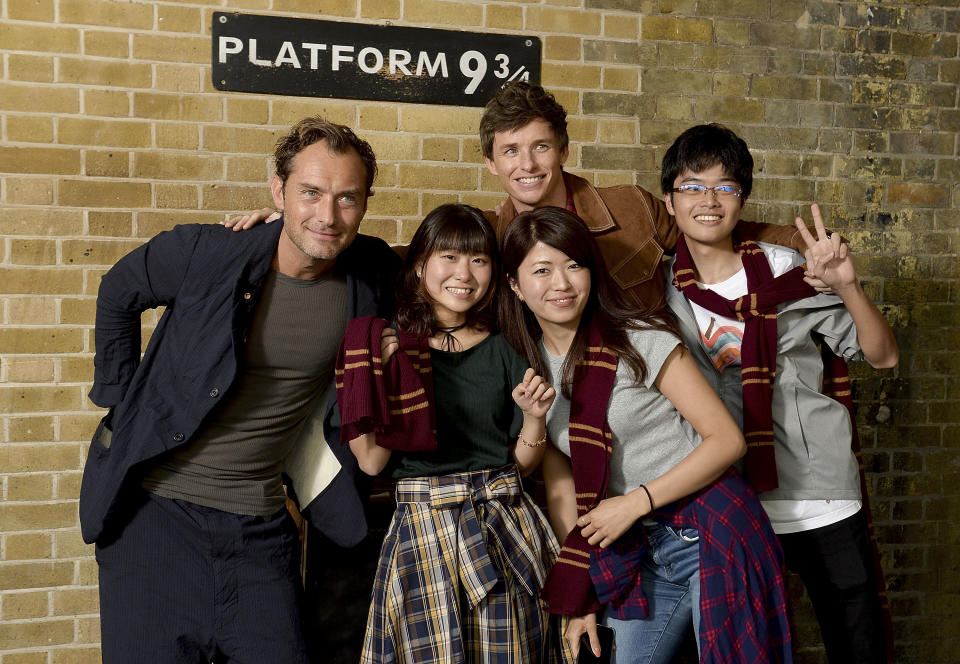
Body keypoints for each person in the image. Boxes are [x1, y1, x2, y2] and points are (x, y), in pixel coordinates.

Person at [81, 117, 400, 662]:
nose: (327, 215)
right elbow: (119, 288)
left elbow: (458, 265)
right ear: (278, 190)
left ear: (365, 204)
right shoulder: (209, 251)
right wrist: (121, 397)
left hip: (261, 528)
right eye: (310, 193)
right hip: (156, 519)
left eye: (347, 198)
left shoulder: (371, 273)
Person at [499, 206, 793, 664]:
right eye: (541, 269)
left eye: (574, 265)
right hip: (637, 551)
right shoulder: (528, 368)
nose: (561, 283)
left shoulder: (636, 337)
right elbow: (561, 484)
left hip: (709, 528)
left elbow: (727, 441)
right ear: (515, 285)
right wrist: (583, 596)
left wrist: (636, 501)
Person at [227, 81, 812, 309]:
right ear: (491, 164)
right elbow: (398, 262)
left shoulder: (630, 206)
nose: (527, 164)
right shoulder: (486, 235)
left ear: (561, 148)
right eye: (510, 152)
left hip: (652, 392)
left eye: (539, 147)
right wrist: (289, 227)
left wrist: (811, 247)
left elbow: (714, 227)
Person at [660, 123, 899, 664]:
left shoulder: (784, 268)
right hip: (728, 498)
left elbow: (882, 355)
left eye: (725, 187)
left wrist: (848, 287)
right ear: (670, 199)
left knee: (856, 643)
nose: (708, 200)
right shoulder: (659, 289)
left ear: (741, 198)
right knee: (748, 648)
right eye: (692, 186)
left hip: (819, 491)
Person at [340, 203, 565, 663]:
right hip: (423, 527)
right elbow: (371, 462)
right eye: (450, 256)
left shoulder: (505, 348)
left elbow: (520, 465)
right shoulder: (384, 344)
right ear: (420, 264)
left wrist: (535, 418)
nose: (465, 273)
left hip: (504, 523)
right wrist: (383, 379)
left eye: (479, 259)